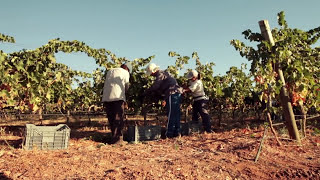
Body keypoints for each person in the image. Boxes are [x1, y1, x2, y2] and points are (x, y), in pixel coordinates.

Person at [142, 63, 183, 138]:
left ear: (153, 71)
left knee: (171, 114)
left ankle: (169, 134)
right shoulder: (165, 73)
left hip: (172, 93)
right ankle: (177, 133)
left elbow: (156, 86)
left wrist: (146, 92)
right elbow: (164, 87)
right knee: (176, 114)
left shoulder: (160, 74)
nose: (151, 75)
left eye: (151, 73)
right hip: (177, 93)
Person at [102, 62, 132, 144]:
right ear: (127, 69)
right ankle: (118, 140)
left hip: (106, 97)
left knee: (111, 118)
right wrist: (126, 95)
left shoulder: (110, 71)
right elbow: (126, 86)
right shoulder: (125, 72)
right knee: (118, 118)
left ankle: (113, 137)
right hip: (117, 97)